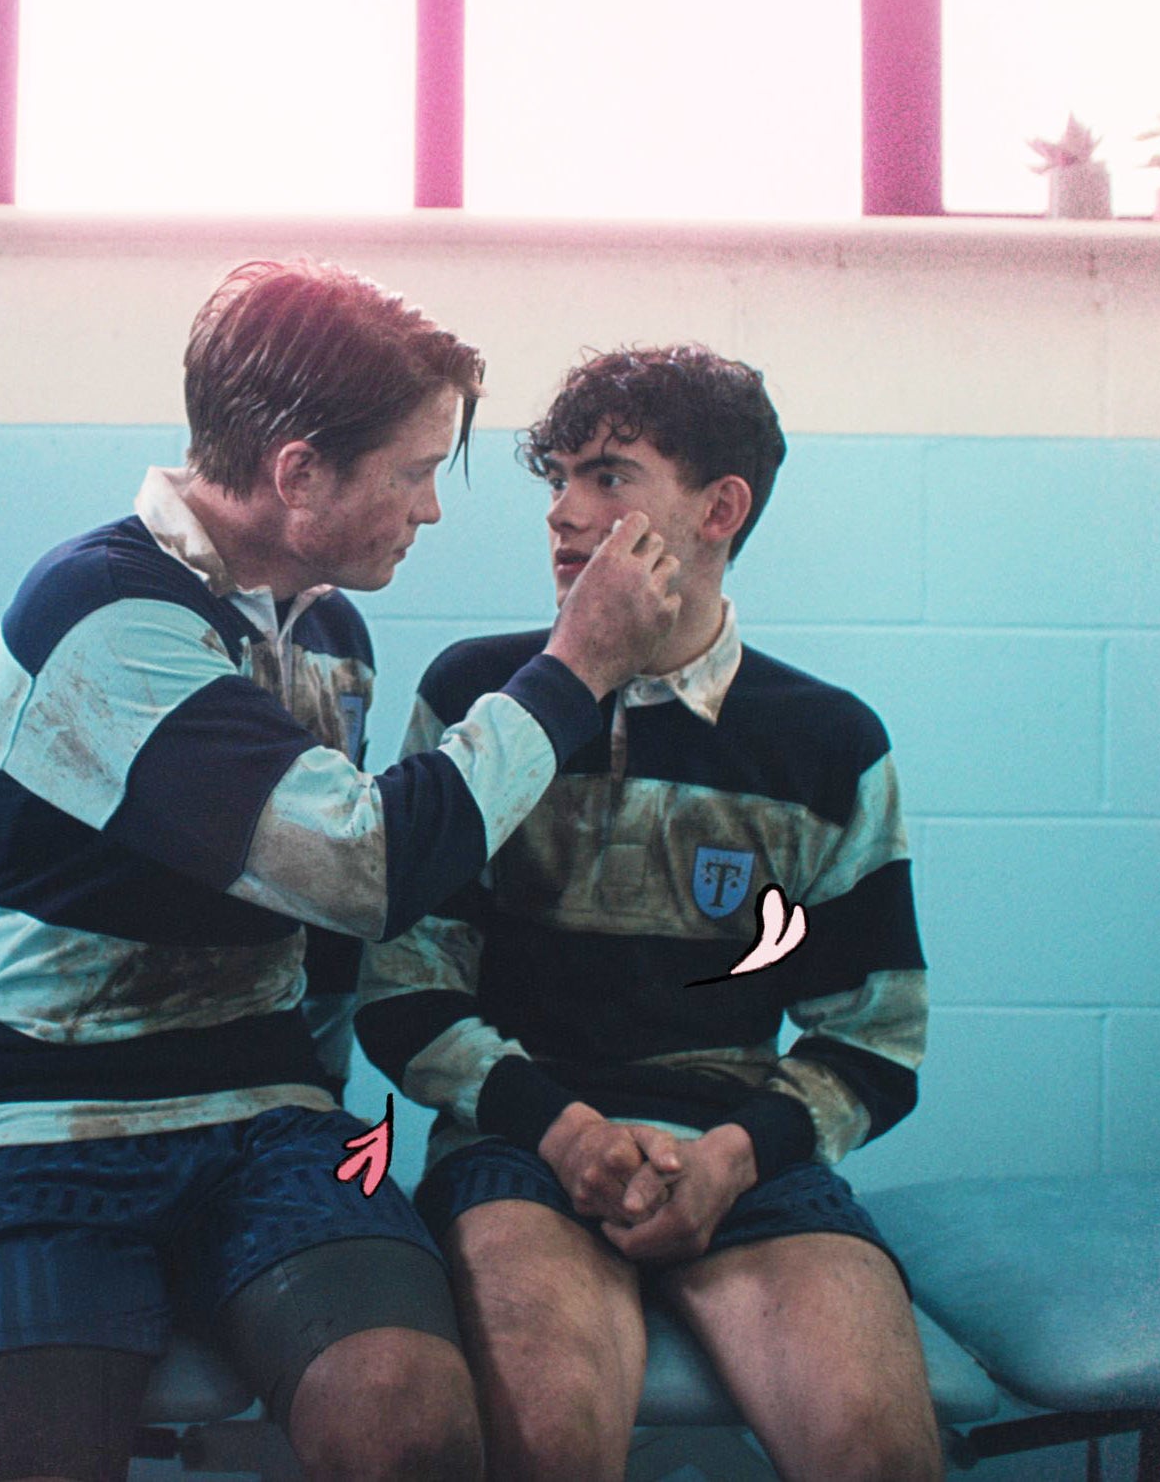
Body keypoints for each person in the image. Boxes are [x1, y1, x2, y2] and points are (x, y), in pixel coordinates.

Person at [0, 260, 682, 1482]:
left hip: (271, 1120)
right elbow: (367, 870)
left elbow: (318, 938)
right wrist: (576, 666)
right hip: (48, 1128)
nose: (430, 510)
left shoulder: (326, 628)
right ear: (298, 470)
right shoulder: (99, 614)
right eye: (415, 472)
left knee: (414, 1420)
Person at [357, 344, 939, 1482]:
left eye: (609, 478)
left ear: (721, 508)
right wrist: (563, 1129)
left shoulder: (826, 743)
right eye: (558, 481)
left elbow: (876, 1038)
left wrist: (733, 1155)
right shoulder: (477, 701)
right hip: (522, 1145)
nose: (564, 514)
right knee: (547, 1435)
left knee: (878, 1453)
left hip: (740, 1152)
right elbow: (405, 984)